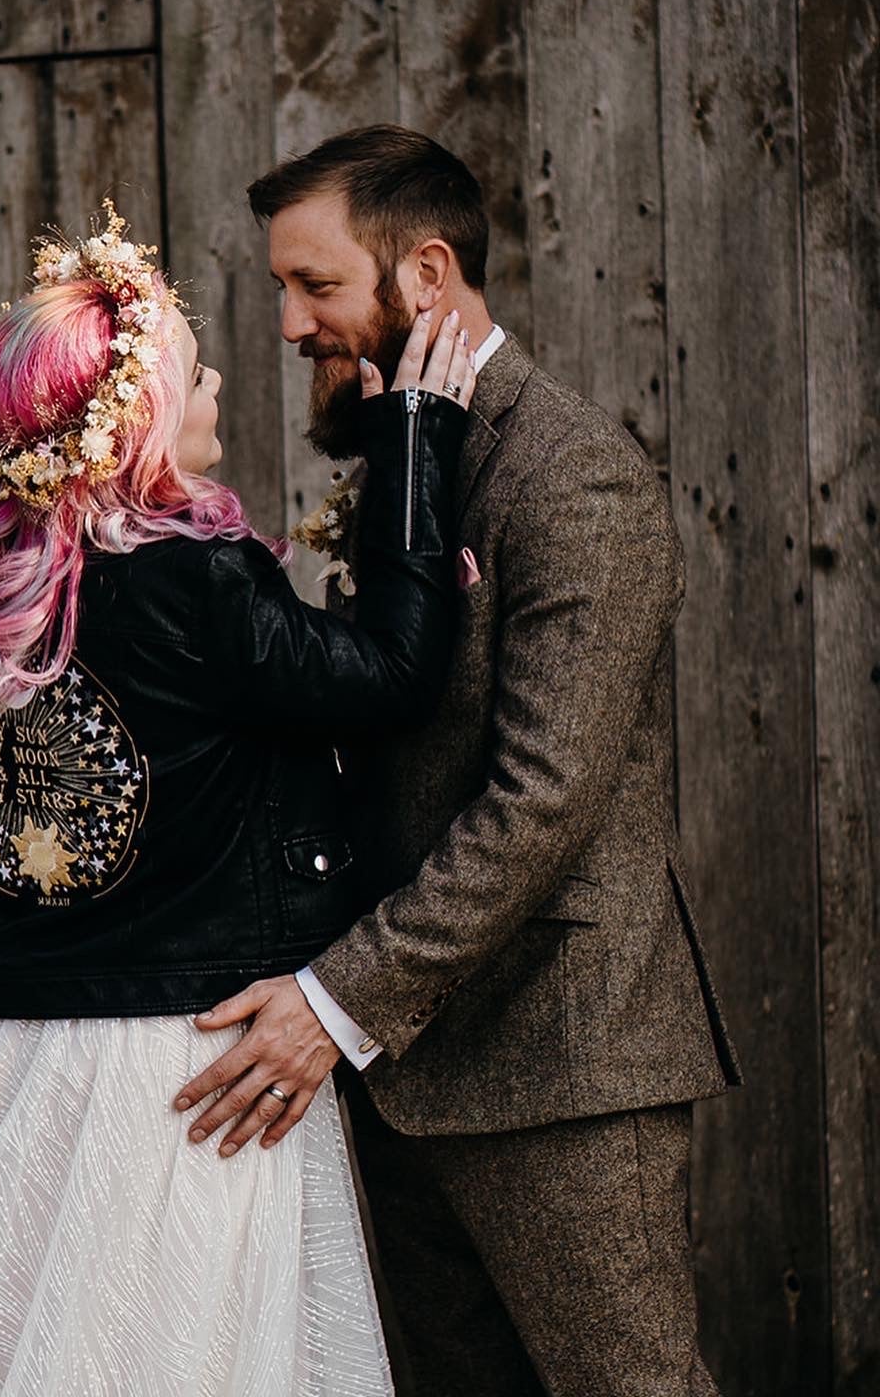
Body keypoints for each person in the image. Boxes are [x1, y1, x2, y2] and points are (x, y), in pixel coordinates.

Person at [0, 202, 476, 1396]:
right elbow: (391, 679)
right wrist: (418, 444)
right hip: (181, 1082)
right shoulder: (197, 583)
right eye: (189, 362)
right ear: (140, 415)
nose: (215, 373)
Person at [175, 127, 744, 1396]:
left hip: (561, 1066)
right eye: (282, 288)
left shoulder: (571, 476)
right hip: (407, 1071)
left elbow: (539, 803)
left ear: (426, 274)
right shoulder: (404, 460)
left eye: (314, 286)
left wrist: (332, 1005)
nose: (286, 324)